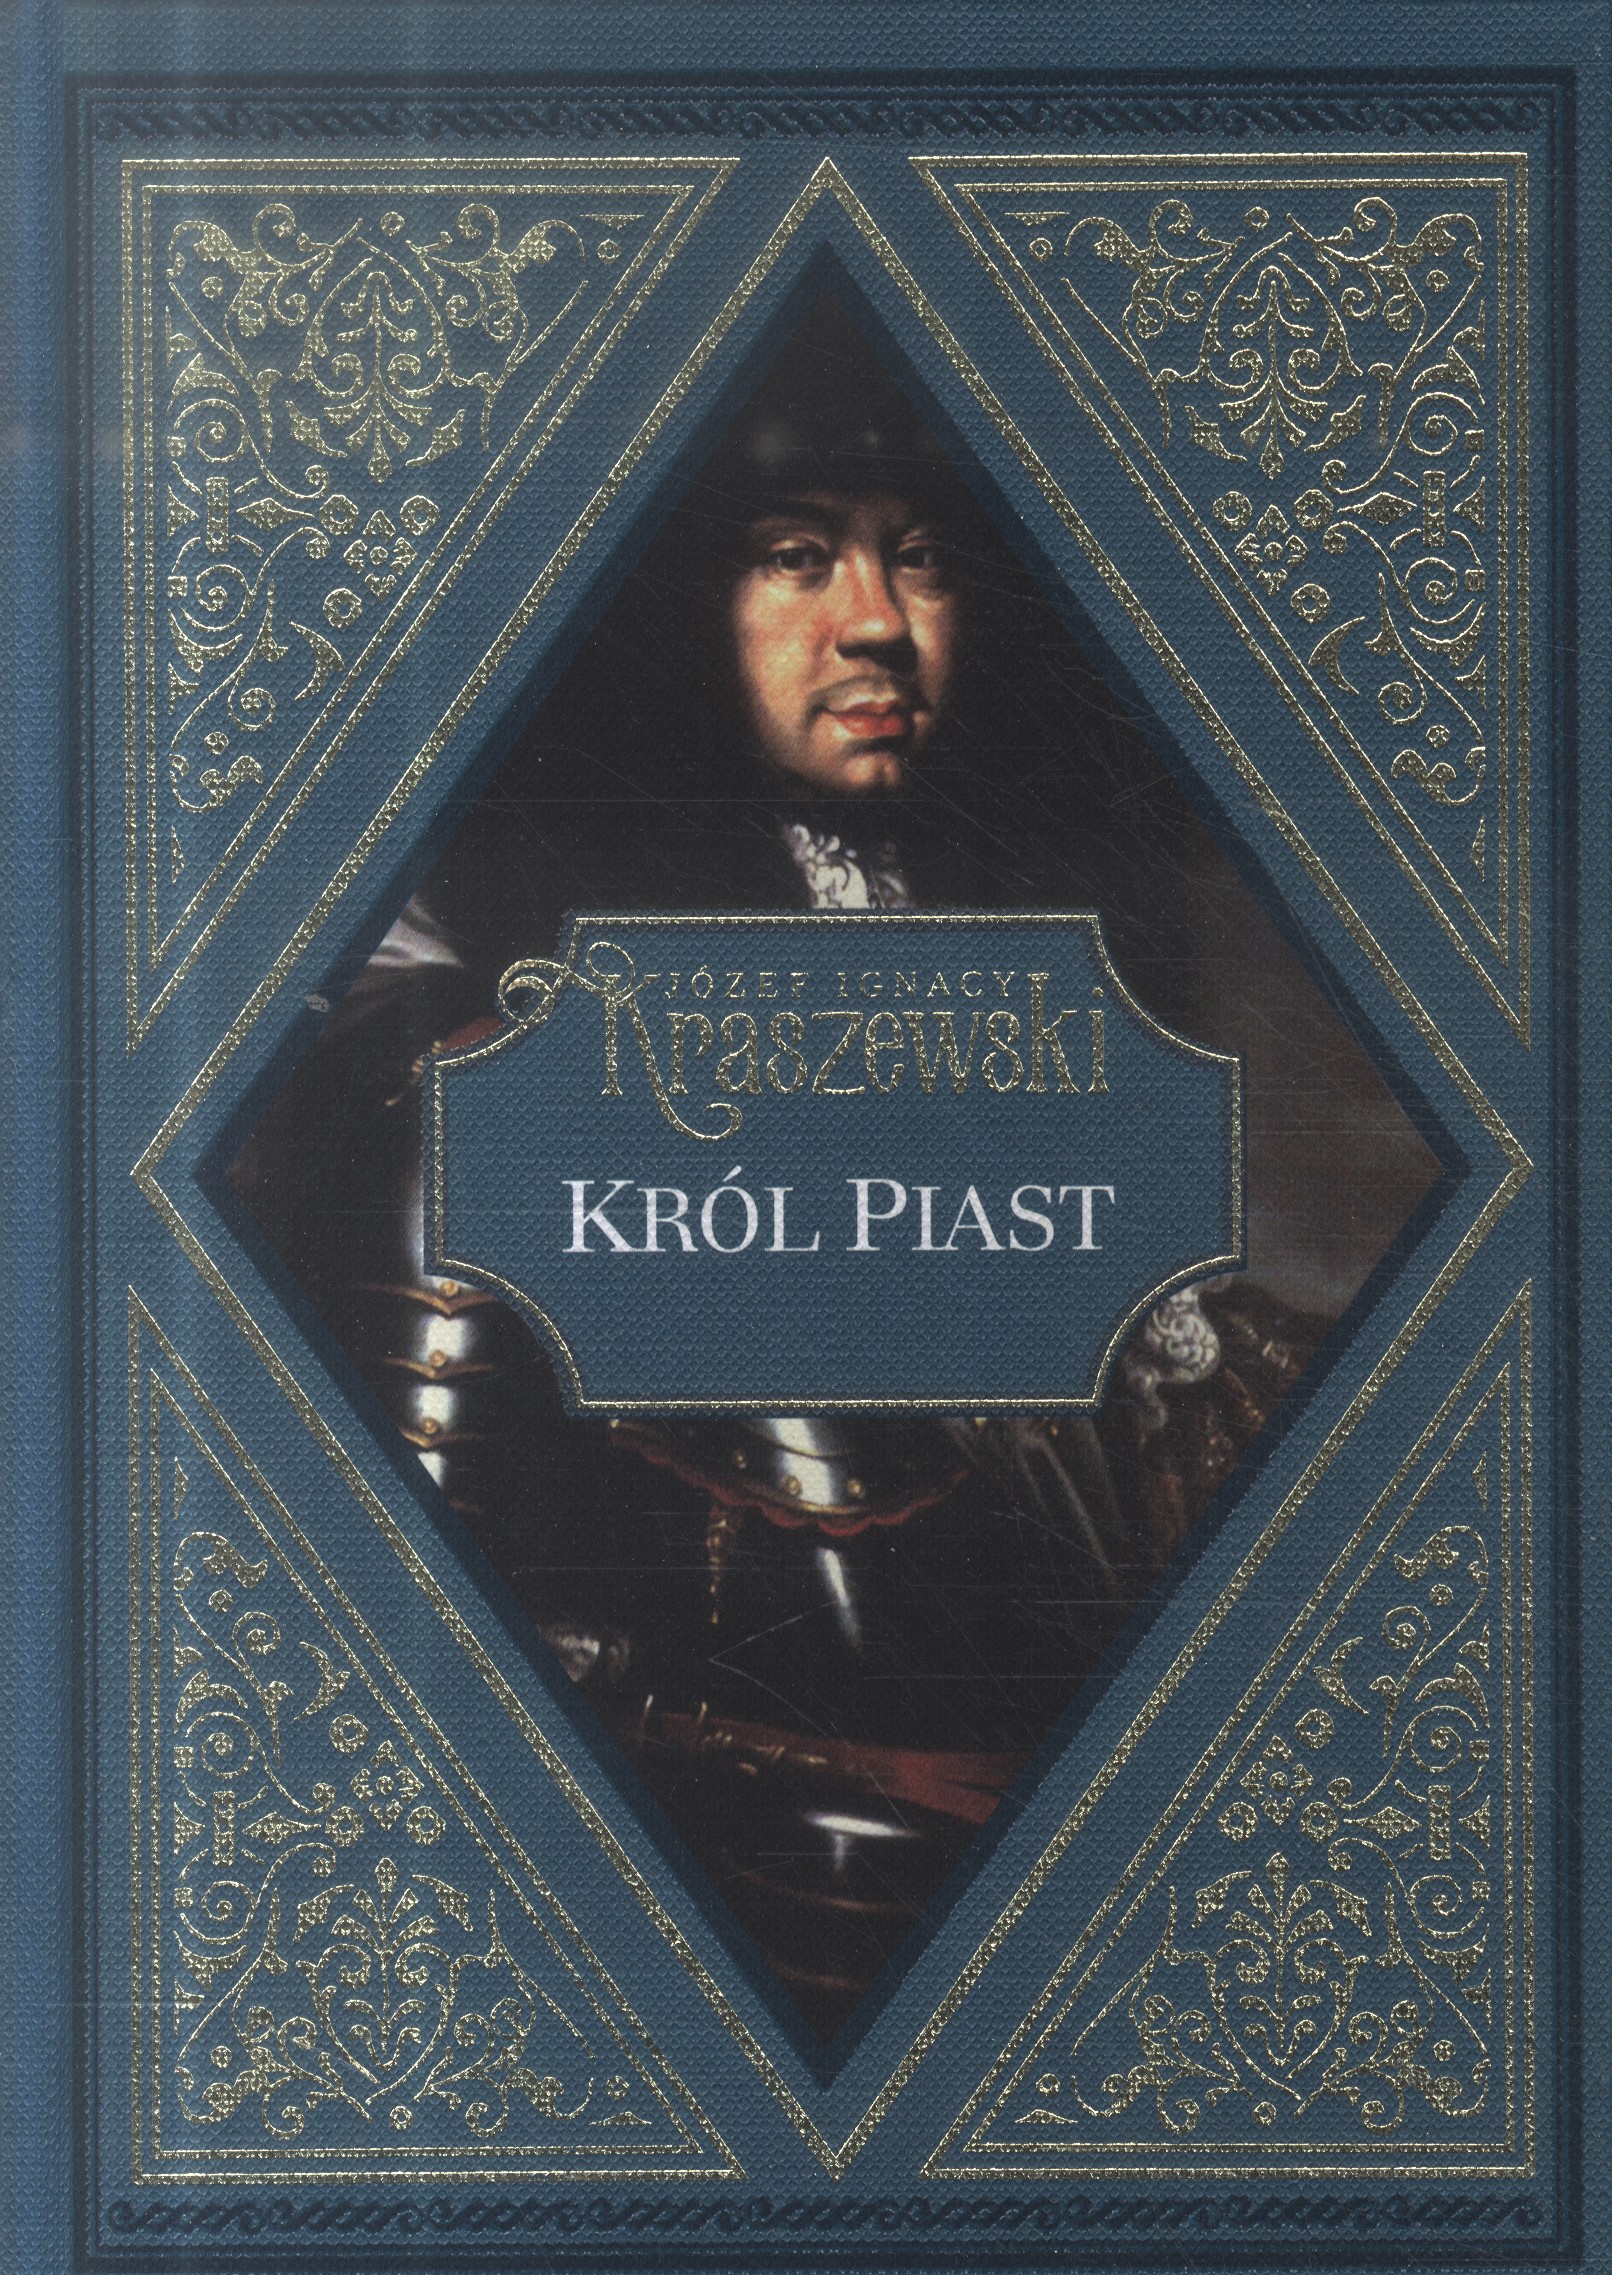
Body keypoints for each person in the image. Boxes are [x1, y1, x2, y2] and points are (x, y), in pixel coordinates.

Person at [231, 299, 1430, 2040]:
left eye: (918, 558)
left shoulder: (981, 986)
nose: (878, 623)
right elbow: (413, 1693)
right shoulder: (491, 1065)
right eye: (797, 557)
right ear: (665, 603)